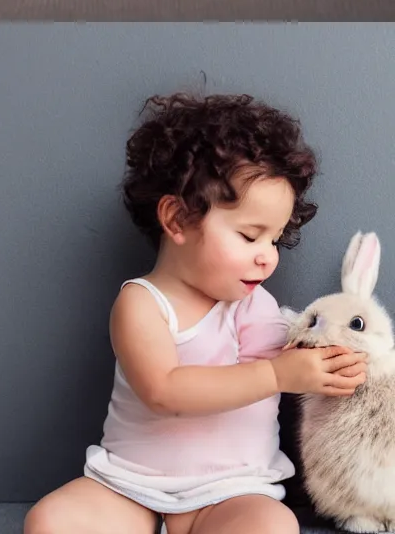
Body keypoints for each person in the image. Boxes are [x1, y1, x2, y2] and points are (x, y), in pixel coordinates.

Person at [26, 91, 365, 533]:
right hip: (130, 488)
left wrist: (331, 362)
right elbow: (164, 390)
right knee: (50, 521)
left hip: (232, 493)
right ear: (177, 218)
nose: (268, 257)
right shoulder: (142, 303)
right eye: (249, 236)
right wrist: (279, 375)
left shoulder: (256, 306)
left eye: (275, 240)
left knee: (274, 527)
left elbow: (294, 352)